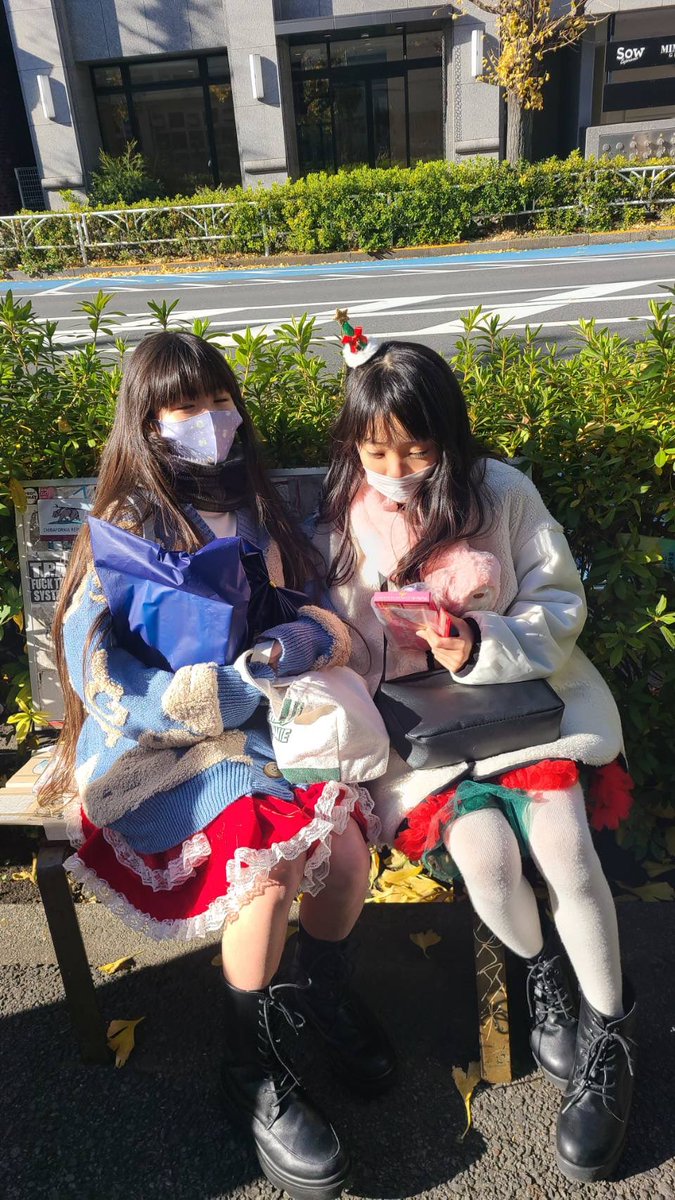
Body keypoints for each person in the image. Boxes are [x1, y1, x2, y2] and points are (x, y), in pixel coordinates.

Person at [41, 331, 395, 1200]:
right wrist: (197, 696)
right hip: (157, 749)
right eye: (184, 406)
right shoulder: (128, 522)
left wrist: (296, 642)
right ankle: (252, 1069)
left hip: (266, 728)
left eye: (219, 400)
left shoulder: (256, 508)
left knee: (348, 852)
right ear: (146, 421)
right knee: (267, 874)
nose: (209, 419)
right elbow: (94, 661)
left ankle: (321, 991)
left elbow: (304, 607)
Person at [314, 323, 636, 1184]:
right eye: (375, 451)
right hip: (424, 739)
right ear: (353, 442)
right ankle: (544, 972)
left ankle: (610, 1032)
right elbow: (334, 633)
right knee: (487, 864)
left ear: (448, 439)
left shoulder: (501, 491)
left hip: (523, 711)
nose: (394, 469)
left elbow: (559, 602)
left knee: (564, 846)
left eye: (414, 449)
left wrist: (478, 642)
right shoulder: (342, 513)